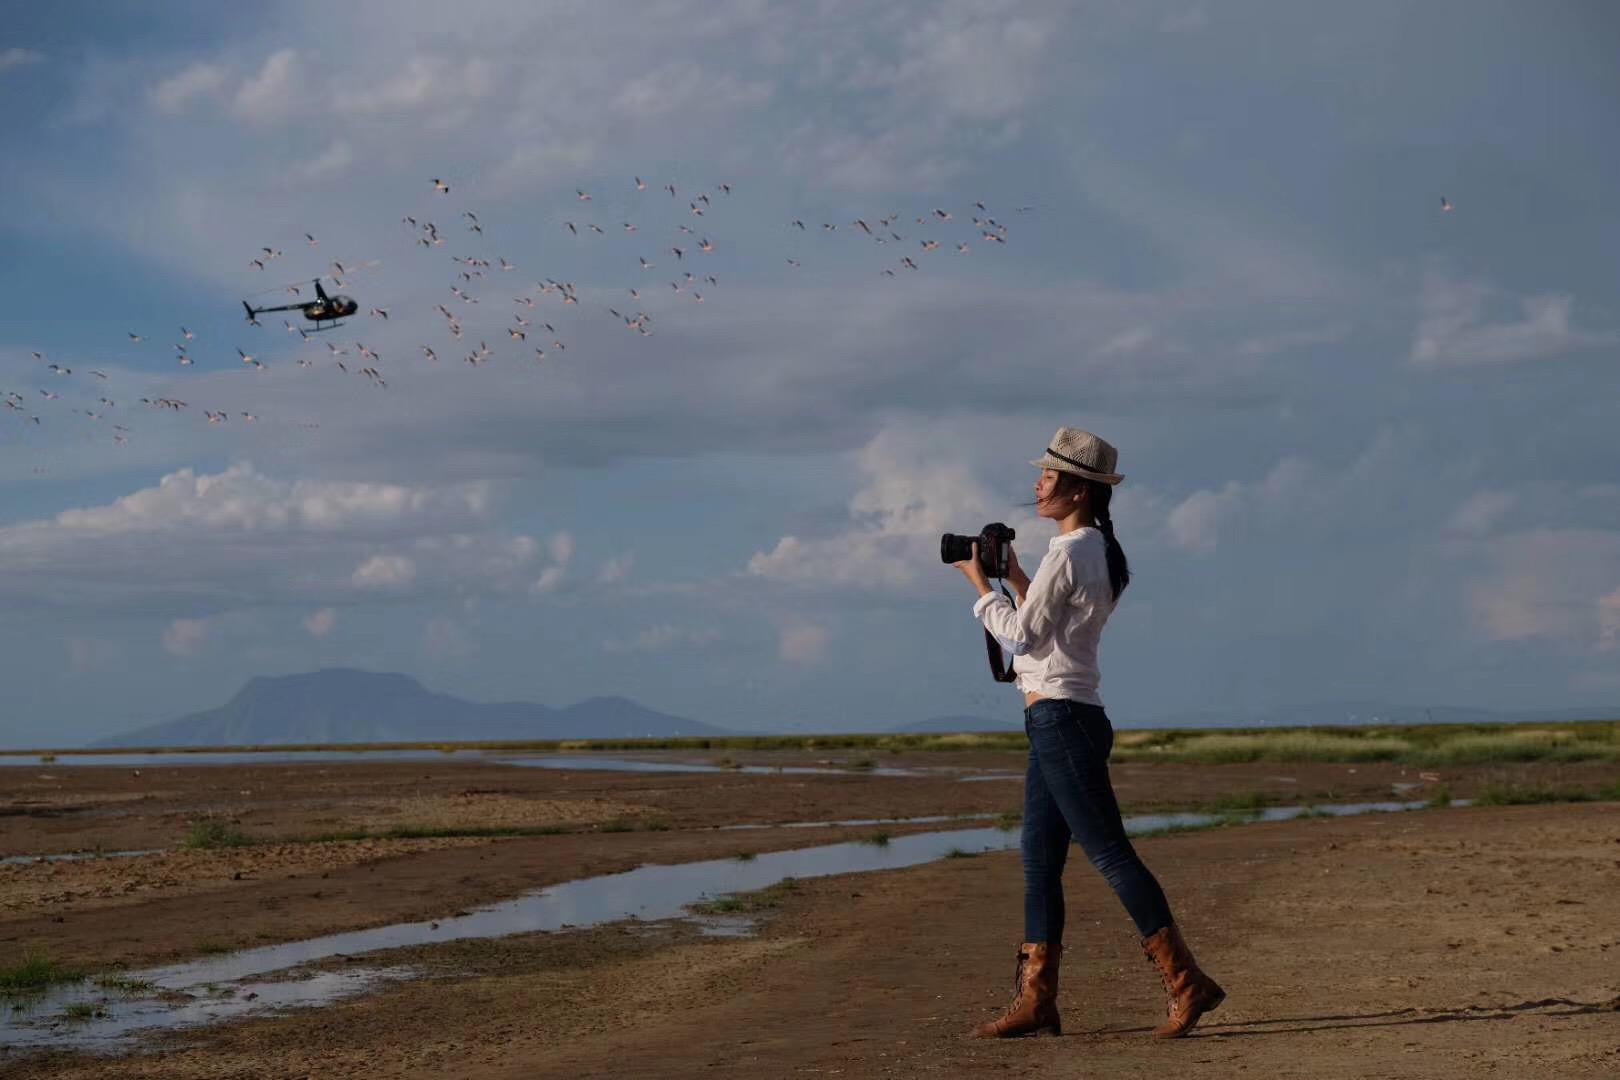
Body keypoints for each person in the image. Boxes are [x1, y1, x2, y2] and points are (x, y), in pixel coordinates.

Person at [950, 426, 1225, 1040]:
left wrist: (978, 586)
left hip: (1061, 719)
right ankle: (1037, 1001)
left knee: (1109, 853)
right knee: (1040, 861)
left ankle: (1189, 982)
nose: (1037, 485)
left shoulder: (1072, 552)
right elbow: (1052, 627)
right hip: (1066, 716)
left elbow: (1021, 638)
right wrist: (1017, 580)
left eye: (1047, 476)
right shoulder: (1097, 550)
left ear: (1078, 488)